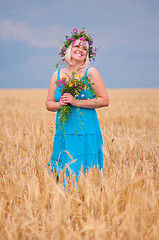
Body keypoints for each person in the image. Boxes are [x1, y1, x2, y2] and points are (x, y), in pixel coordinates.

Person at [46, 28, 109, 182]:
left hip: (85, 128)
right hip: (65, 129)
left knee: (87, 172)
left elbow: (104, 100)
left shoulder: (90, 72)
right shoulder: (57, 74)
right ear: (68, 49)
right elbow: (48, 104)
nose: (81, 50)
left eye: (85, 48)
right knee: (64, 171)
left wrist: (76, 102)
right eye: (77, 46)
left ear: (87, 54)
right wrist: (61, 104)